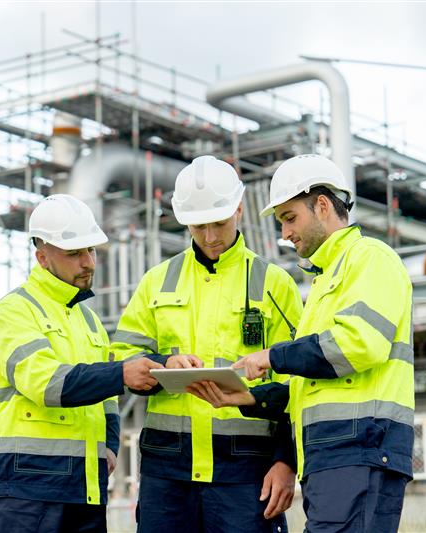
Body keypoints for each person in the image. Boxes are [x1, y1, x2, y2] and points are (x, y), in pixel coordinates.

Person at [188, 154, 414, 533]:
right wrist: (251, 398)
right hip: (336, 453)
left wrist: (272, 356)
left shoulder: (370, 258)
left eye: (290, 218)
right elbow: (307, 387)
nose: (286, 233)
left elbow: (359, 344)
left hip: (360, 446)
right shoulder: (325, 280)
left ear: (322, 205)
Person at [111, 156, 303, 533]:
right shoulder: (157, 282)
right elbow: (122, 358)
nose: (211, 236)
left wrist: (287, 460)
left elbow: (298, 382)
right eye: (199, 226)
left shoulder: (274, 283)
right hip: (168, 474)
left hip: (247, 474)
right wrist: (163, 362)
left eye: (219, 222)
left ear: (239, 209)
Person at [0, 194, 164, 533]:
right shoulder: (14, 311)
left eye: (91, 250)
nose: (88, 262)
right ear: (42, 257)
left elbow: (108, 398)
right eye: (74, 253)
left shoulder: (89, 321)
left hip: (85, 489)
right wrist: (122, 372)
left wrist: (110, 446)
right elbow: (47, 383)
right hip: (26, 489)